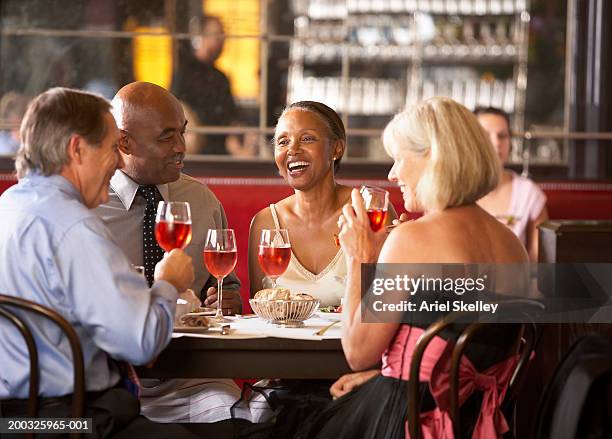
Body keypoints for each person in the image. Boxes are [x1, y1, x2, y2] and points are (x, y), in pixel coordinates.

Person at [268, 97, 529, 438]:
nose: (392, 174)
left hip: (409, 420)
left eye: (399, 159)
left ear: (432, 158)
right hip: (474, 417)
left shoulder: (412, 238)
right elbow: (469, 349)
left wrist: (359, 256)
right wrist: (387, 375)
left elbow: (358, 353)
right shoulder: (512, 244)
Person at [0, 87, 198, 438]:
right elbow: (141, 343)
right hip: (68, 422)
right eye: (111, 149)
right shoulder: (74, 227)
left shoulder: (9, 207)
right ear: (77, 149)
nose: (121, 162)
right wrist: (168, 283)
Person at [94, 81, 245, 423]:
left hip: (194, 376)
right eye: (166, 137)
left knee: (238, 421)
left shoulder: (201, 200)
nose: (181, 147)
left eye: (183, 133)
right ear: (123, 141)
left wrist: (226, 299)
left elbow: (227, 286)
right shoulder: (90, 207)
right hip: (113, 380)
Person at [248, 101, 396, 307]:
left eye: (307, 138)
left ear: (337, 148)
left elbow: (391, 303)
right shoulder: (265, 223)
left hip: (351, 339)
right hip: (280, 339)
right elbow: (260, 312)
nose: (292, 150)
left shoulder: (369, 210)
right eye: (283, 142)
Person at [173, 15, 255, 157]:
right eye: (216, 34)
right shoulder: (185, 73)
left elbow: (231, 114)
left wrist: (241, 135)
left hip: (222, 149)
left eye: (222, 35)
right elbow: (175, 108)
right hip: (197, 152)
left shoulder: (221, 77)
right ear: (200, 37)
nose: (221, 39)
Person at [474, 106, 548, 262]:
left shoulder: (528, 193)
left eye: (502, 136)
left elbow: (539, 264)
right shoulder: (450, 191)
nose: (496, 143)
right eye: (486, 135)